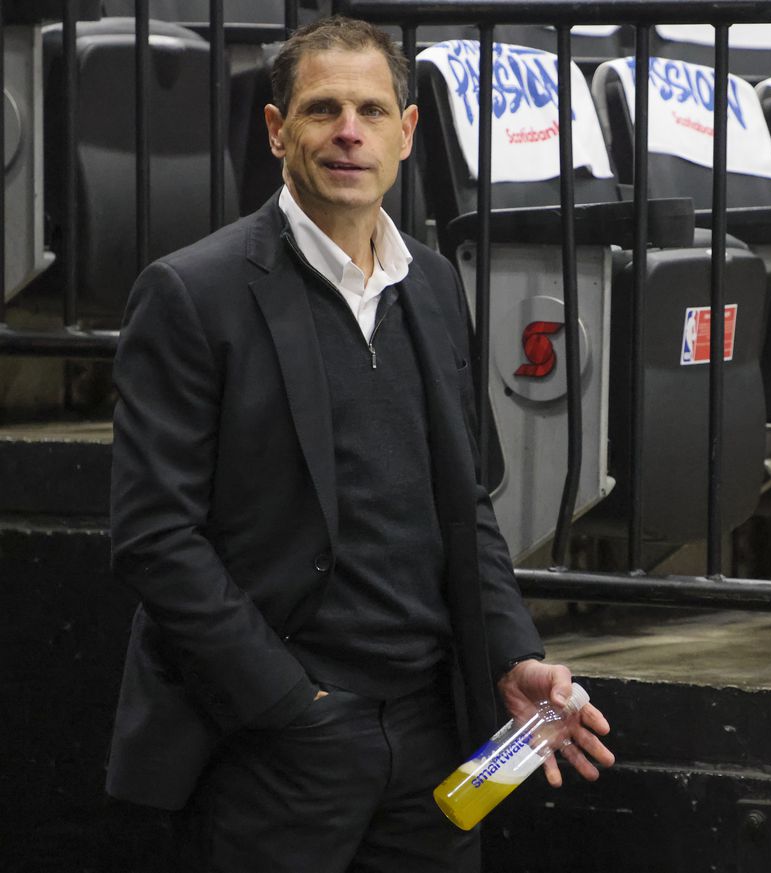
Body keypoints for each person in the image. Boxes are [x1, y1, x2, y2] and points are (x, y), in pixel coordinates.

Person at [105, 15, 613, 872]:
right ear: (276, 130)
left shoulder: (436, 283)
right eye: (322, 109)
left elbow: (466, 505)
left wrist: (513, 651)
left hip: (429, 735)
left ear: (407, 134)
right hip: (276, 743)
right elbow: (155, 538)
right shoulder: (193, 293)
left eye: (374, 111)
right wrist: (292, 704)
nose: (350, 132)